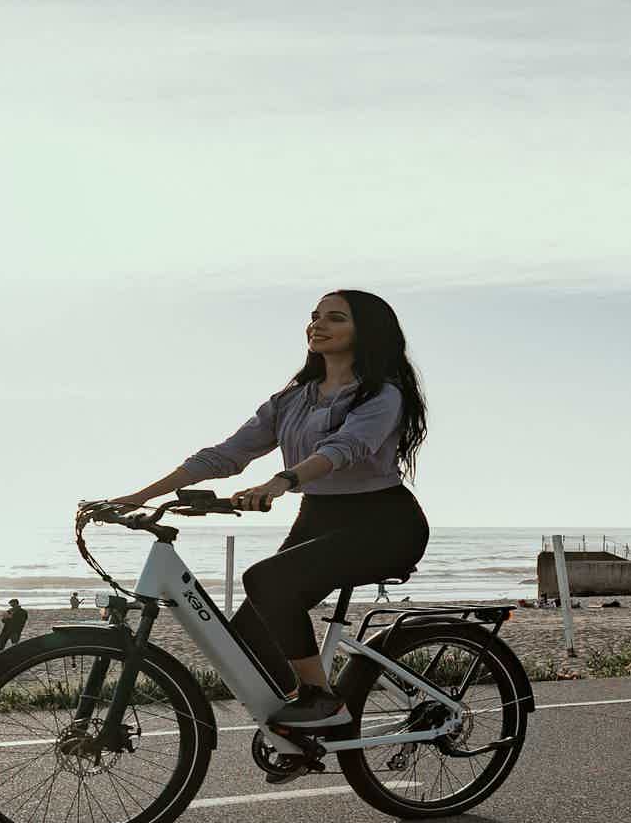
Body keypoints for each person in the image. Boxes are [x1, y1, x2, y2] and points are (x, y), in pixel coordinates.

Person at [104, 289, 430, 737]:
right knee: (249, 643)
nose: (318, 324)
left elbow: (345, 449)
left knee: (265, 580)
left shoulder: (382, 395)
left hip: (384, 524)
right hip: (319, 517)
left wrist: (282, 481)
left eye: (335, 318)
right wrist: (137, 496)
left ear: (366, 332)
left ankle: (323, 701)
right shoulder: (292, 399)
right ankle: (298, 735)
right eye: (315, 317)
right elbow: (226, 455)